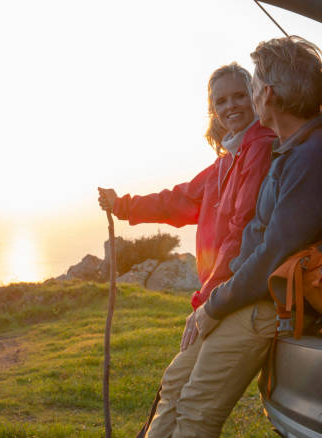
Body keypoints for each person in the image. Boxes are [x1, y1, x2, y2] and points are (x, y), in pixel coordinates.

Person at [140, 36, 322, 438]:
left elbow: (275, 252)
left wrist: (215, 303)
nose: (249, 97)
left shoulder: (315, 155)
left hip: (266, 303)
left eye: (252, 87)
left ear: (267, 94)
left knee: (195, 409)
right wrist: (218, 297)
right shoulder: (292, 149)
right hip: (245, 294)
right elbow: (257, 239)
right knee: (174, 384)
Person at [99, 62, 275, 353]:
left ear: (255, 96)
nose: (231, 105)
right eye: (221, 101)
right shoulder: (225, 163)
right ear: (213, 110)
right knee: (179, 385)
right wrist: (122, 206)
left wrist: (206, 298)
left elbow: (241, 231)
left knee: (188, 389)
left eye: (240, 96)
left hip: (236, 293)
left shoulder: (260, 148)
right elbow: (177, 201)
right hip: (222, 293)